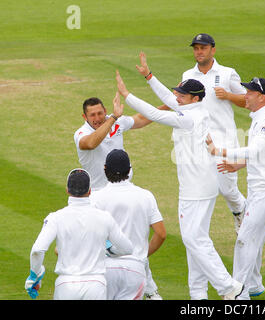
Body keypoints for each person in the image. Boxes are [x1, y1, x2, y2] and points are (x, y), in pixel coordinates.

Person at [115, 70, 243, 300]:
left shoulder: (189, 117)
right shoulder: (193, 109)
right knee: (196, 239)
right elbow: (168, 98)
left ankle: (227, 286)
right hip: (201, 184)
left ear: (195, 98)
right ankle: (198, 294)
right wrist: (150, 76)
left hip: (196, 189)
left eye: (182, 94)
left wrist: (127, 95)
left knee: (194, 239)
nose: (177, 96)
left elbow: (154, 113)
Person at [137, 33, 247, 233]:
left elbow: (246, 101)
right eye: (196, 48)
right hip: (198, 141)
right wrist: (149, 77)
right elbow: (176, 101)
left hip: (224, 138)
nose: (199, 51)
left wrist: (229, 95)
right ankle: (198, 231)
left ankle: (240, 210)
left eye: (203, 48)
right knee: (200, 186)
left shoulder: (227, 73)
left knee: (227, 189)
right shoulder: (187, 75)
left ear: (212, 49)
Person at [206, 77, 265, 300]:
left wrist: (219, 151)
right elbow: (264, 153)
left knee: (244, 238)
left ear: (262, 97)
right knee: (254, 237)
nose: (245, 96)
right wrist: (239, 165)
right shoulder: (260, 117)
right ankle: (253, 285)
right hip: (261, 186)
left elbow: (254, 150)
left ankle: (238, 293)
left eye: (250, 92)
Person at [73, 93, 161, 298]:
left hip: (123, 190)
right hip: (99, 198)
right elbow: (91, 143)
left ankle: (150, 290)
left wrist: (167, 107)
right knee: (106, 247)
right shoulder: (81, 134)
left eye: (100, 113)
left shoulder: (117, 121)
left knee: (131, 243)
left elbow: (140, 119)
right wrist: (112, 119)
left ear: (105, 111)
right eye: (92, 115)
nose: (97, 117)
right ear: (84, 117)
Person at [25, 168, 133, 300]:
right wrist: (108, 249)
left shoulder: (56, 218)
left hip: (66, 286)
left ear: (67, 190)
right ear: (89, 191)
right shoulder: (105, 218)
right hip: (96, 286)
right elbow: (127, 248)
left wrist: (34, 275)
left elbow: (37, 250)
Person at [90, 149, 166, 300]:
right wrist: (142, 254)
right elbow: (161, 233)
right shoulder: (146, 196)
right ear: (129, 170)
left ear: (105, 169)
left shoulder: (95, 198)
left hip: (105, 269)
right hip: (136, 268)